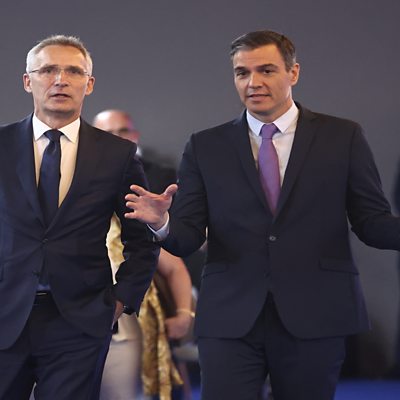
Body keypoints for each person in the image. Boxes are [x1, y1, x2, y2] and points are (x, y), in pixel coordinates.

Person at [124, 29, 400, 400]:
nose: (253, 82)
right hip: (230, 316)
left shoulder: (342, 136)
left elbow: (372, 222)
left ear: (293, 72)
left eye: (266, 70)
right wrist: (162, 223)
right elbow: (187, 236)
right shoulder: (206, 145)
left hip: (316, 311)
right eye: (242, 73)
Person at [0, 35, 159, 400]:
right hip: (5, 313)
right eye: (48, 70)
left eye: (73, 71)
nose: (60, 80)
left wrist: (120, 301)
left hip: (80, 321)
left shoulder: (118, 154)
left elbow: (142, 240)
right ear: (27, 81)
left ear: (89, 84)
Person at [93, 110, 195, 400]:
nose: (115, 139)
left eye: (121, 131)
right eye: (106, 134)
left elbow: (173, 264)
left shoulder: (155, 180)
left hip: (125, 327)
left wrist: (184, 314)